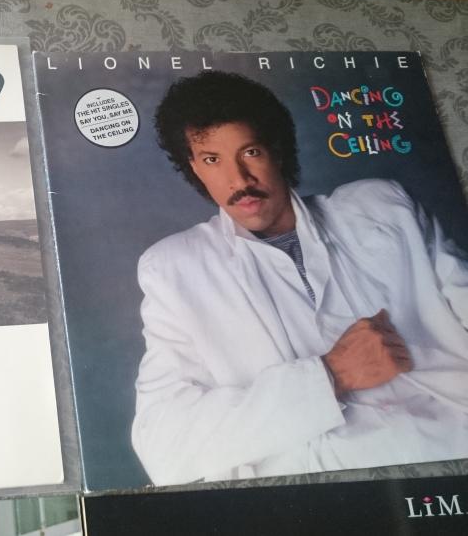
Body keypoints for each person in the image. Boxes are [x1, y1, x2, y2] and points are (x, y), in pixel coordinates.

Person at [132, 70, 468, 486]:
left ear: (277, 149)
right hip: (331, 492)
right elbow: (164, 447)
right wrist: (329, 376)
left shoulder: (383, 208)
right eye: (212, 160)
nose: (239, 181)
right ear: (194, 168)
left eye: (250, 152)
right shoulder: (175, 268)